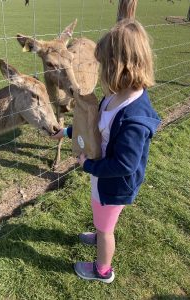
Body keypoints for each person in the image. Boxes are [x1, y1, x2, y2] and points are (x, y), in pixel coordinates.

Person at [51, 19, 161, 284]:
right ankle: (101, 231)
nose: (99, 71)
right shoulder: (115, 95)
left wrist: (88, 166)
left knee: (106, 227)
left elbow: (125, 165)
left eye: (103, 65)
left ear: (119, 66)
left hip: (114, 185)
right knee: (103, 221)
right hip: (103, 177)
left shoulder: (135, 118)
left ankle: (102, 270)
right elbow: (97, 126)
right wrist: (69, 132)